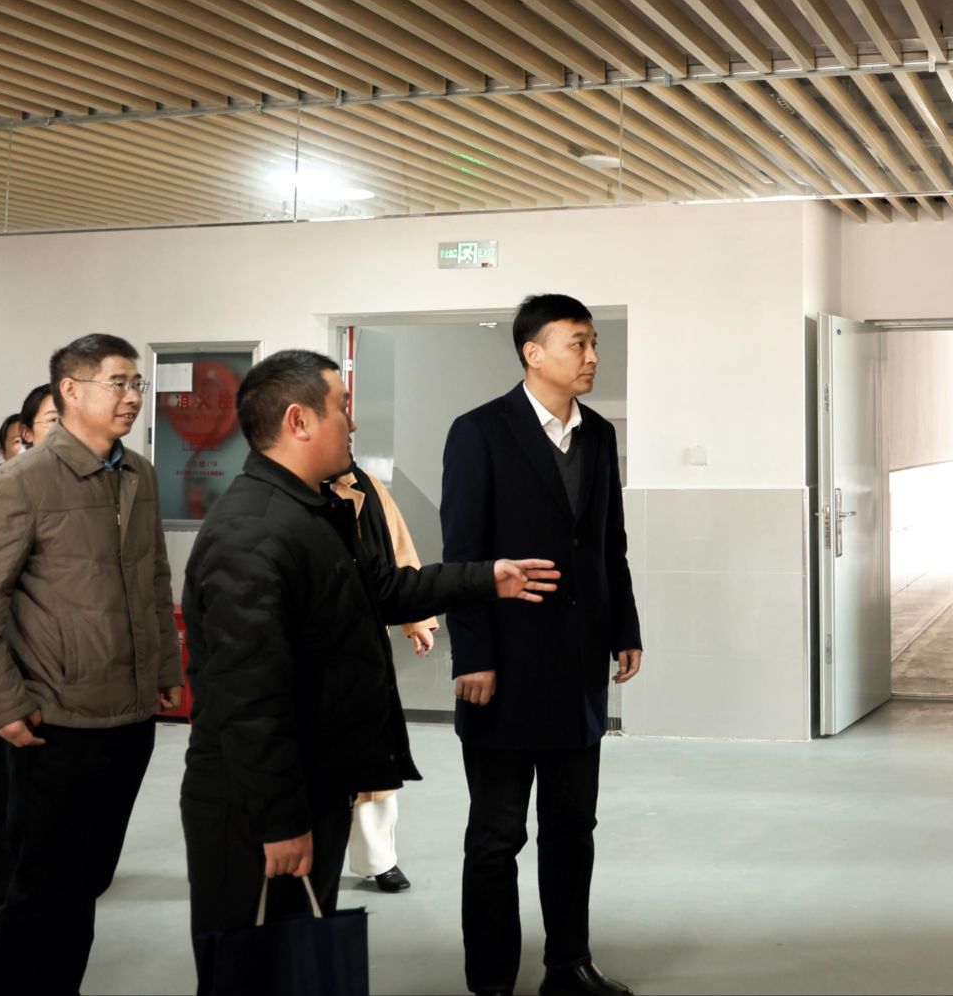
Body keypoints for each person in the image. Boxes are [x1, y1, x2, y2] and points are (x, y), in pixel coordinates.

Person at [179, 350, 558, 993]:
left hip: (313, 784)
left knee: (297, 963)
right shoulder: (253, 532)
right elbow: (249, 699)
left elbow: (382, 589)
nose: (352, 424)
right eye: (342, 408)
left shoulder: (313, 511)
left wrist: (485, 578)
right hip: (254, 809)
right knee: (253, 969)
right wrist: (279, 821)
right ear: (299, 421)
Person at [0, 335, 182, 996]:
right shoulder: (21, 482)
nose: (132, 396)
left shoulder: (138, 474)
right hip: (56, 723)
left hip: (129, 717)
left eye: (137, 383)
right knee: (44, 895)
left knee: (86, 885)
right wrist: (2, 706)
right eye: (118, 382)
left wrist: (165, 668)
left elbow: (153, 579)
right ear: (70, 390)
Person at [444, 294, 643, 996]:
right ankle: (491, 980)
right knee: (496, 836)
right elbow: (463, 554)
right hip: (503, 668)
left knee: (572, 827)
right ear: (533, 352)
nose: (592, 356)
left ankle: (569, 965)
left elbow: (609, 542)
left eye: (594, 343)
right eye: (577, 343)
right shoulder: (480, 431)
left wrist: (624, 627)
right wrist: (473, 655)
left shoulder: (600, 435)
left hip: (578, 666)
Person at [0, 383, 61, 917]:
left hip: (67, 671)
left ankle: (52, 876)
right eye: (50, 422)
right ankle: (1, 887)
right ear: (21, 437)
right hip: (8, 662)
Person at [331, 463, 440, 894]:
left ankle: (379, 859)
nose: (349, 434)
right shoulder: (287, 487)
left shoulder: (368, 486)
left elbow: (400, 552)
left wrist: (418, 620)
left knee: (374, 751)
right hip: (305, 645)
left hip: (365, 643)